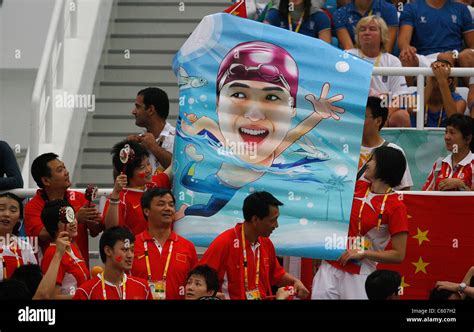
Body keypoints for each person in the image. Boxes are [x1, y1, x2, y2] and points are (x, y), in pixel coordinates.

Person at [177, 40, 345, 219]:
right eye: (239, 95)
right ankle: (193, 162)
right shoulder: (230, 145)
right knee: (185, 181)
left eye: (272, 97)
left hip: (231, 188)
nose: (255, 115)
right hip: (216, 182)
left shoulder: (271, 151)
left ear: (292, 109)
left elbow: (298, 132)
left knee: (209, 211)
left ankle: (184, 210)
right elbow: (207, 123)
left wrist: (318, 115)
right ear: (218, 103)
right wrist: (188, 127)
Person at [312, 146, 409, 299]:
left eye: (372, 160)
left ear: (384, 166)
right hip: (330, 265)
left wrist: (364, 252)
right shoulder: (356, 186)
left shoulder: (396, 206)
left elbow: (398, 255)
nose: (367, 163)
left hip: (360, 273)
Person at [199, 191, 310, 300]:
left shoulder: (266, 244)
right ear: (255, 219)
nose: (276, 225)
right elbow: (199, 280)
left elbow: (277, 275)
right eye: (273, 220)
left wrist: (295, 282)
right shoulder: (224, 243)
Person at [24, 153, 102, 267]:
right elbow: (43, 234)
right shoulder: (32, 206)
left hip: (80, 269)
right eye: (60, 170)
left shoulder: (79, 198)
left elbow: (95, 232)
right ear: (46, 180)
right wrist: (75, 218)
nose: (66, 172)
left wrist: (93, 221)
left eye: (64, 167)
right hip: (51, 270)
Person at [131, 189, 197, 300]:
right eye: (161, 204)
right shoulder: (132, 246)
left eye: (171, 205)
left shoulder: (188, 247)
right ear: (147, 211)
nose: (168, 208)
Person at [346, 16, 409, 127]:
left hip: (383, 110)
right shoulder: (347, 56)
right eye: (362, 29)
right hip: (355, 108)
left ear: (382, 36)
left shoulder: (392, 61)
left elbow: (400, 97)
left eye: (372, 29)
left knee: (402, 116)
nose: (366, 32)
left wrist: (384, 116)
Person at [103, 140, 171, 235]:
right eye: (142, 167)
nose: (148, 170)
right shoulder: (120, 198)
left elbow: (173, 168)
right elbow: (111, 229)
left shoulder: (153, 184)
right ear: (128, 173)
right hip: (136, 249)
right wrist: (115, 194)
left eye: (148, 163)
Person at [398, 0, 474, 85]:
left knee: (465, 56)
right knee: (406, 57)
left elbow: (472, 44)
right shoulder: (411, 8)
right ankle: (412, 94)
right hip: (424, 57)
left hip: (454, 55)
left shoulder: (461, 9)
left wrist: (458, 56)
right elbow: (403, 41)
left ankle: (467, 95)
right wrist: (407, 49)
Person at [73, 226, 152, 300]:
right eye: (124, 250)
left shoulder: (143, 288)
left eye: (132, 250)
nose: (130, 255)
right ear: (108, 251)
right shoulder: (86, 293)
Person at [358, 97, 413, 190]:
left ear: (378, 121)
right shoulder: (346, 148)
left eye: (363, 116)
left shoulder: (393, 151)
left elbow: (404, 190)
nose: (357, 120)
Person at [40, 199, 90, 299]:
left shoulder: (72, 246)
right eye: (66, 219)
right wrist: (83, 297)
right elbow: (51, 297)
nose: (73, 223)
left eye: (73, 216)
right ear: (53, 226)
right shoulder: (52, 253)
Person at [127, 87, 175, 174]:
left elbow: (180, 170)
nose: (133, 112)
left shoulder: (178, 139)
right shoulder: (138, 142)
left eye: (138, 107)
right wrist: (126, 153)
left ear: (150, 110)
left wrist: (154, 147)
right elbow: (120, 178)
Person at [408, 60, 466, 128]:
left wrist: (442, 81)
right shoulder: (413, 97)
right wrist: (430, 81)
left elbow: (454, 120)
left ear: (449, 81)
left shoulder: (459, 101)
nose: (437, 74)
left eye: (440, 73)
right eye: (434, 72)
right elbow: (413, 110)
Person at [423, 114, 474, 191]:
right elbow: (425, 195)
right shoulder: (439, 164)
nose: (446, 137)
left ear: (468, 139)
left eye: (452, 133)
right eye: (446, 132)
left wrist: (461, 185)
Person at [334, 0, 399, 53]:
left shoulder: (389, 9)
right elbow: (349, 48)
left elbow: (387, 47)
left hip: (381, 58)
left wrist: (378, 62)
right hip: (356, 59)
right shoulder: (340, 14)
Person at [0, 193, 37, 281]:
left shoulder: (25, 247)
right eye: (1, 209)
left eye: (13, 210)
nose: (7, 214)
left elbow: (34, 280)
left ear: (19, 217)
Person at [264, 0, 332, 43]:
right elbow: (263, 38)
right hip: (280, 58)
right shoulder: (275, 12)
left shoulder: (319, 16)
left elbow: (325, 49)